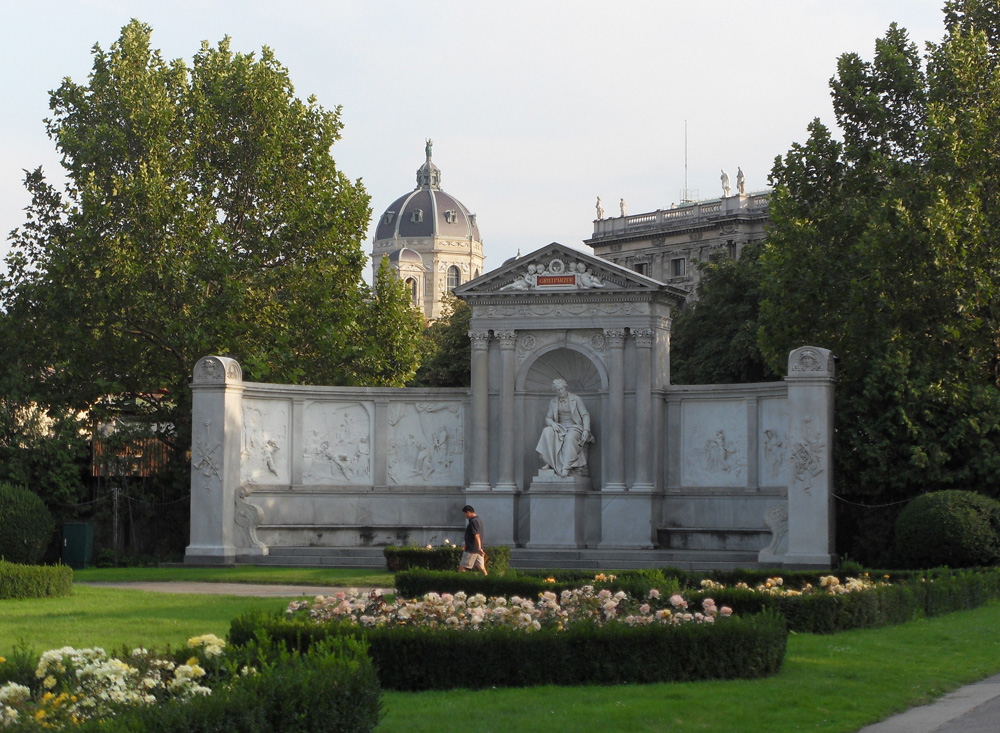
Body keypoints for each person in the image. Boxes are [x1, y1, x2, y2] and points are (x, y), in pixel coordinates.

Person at [535, 378, 592, 476]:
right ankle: (549, 462)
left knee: (569, 438)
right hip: (560, 427)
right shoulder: (553, 401)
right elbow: (548, 418)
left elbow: (585, 415)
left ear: (565, 388)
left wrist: (586, 430)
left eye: (562, 389)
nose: (561, 391)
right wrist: (552, 424)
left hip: (575, 427)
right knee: (547, 431)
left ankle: (566, 467)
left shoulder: (576, 399)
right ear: (555, 391)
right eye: (558, 390)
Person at [458, 505, 487, 575]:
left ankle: (459, 583)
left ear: (468, 512)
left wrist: (479, 548)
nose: (465, 516)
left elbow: (476, 535)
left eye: (465, 514)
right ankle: (488, 580)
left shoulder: (473, 521)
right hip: (476, 549)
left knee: (462, 568)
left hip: (471, 550)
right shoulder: (478, 520)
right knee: (481, 567)